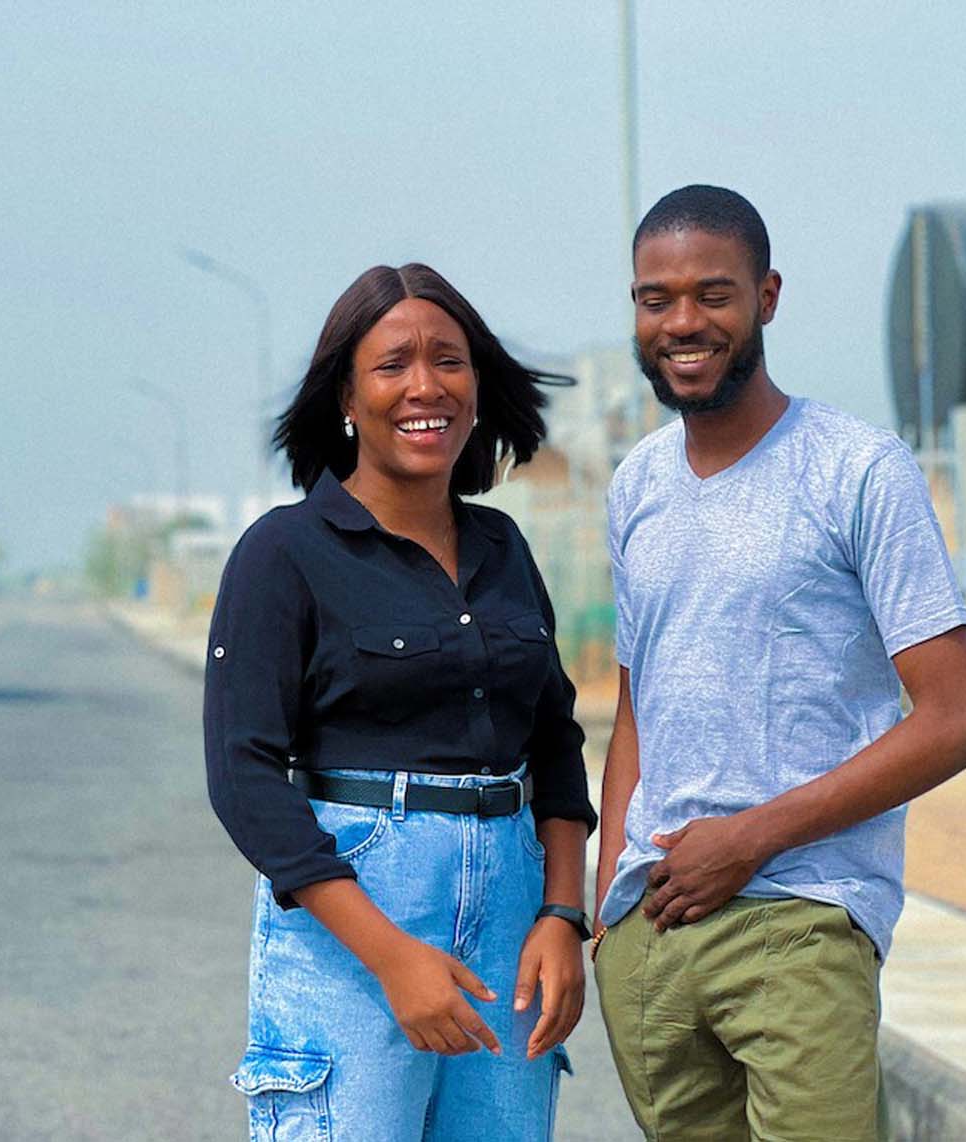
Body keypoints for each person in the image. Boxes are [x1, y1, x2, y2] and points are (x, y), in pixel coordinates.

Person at [592, 184, 966, 1140]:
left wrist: (752, 837)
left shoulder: (858, 470)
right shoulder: (636, 484)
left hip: (802, 923)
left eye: (713, 294)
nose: (684, 322)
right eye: (658, 299)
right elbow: (636, 709)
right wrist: (609, 901)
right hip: (653, 936)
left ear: (767, 297)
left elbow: (956, 722)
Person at [204, 263, 597, 1140]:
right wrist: (391, 958)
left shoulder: (503, 548)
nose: (426, 386)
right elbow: (245, 778)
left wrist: (562, 915)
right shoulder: (285, 553)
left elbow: (556, 743)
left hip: (509, 929)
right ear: (347, 393)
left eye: (449, 361)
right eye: (393, 365)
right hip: (355, 928)